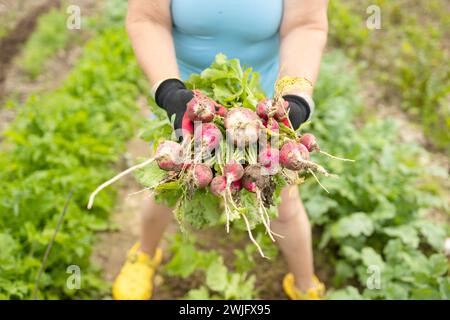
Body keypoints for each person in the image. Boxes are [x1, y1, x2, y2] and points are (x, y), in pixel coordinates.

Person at [113, 0, 329, 300]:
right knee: (167, 185)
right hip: (184, 104)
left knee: (284, 202)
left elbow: (306, 24)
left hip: (262, 106)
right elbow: (146, 18)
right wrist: (168, 91)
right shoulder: (176, 99)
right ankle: (146, 254)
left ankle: (304, 285)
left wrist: (297, 98)